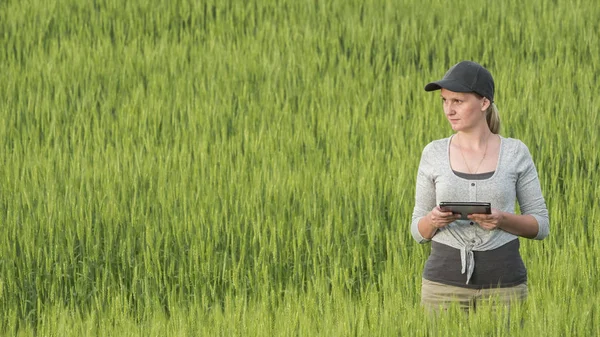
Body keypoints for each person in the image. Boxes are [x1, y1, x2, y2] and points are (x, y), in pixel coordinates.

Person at [410, 60, 550, 312]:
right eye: (444, 101)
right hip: (442, 288)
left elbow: (541, 225)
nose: (448, 110)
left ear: (484, 103)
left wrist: (502, 220)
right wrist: (433, 220)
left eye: (458, 101)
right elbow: (417, 231)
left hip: (505, 288)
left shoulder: (515, 152)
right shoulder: (433, 153)